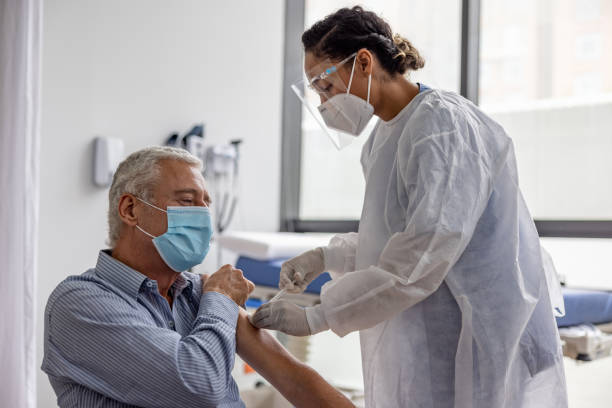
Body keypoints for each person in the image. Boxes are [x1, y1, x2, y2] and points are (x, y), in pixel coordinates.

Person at [251, 6, 567, 408]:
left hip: (480, 329)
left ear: (363, 61)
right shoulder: (382, 139)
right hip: (431, 326)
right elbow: (392, 237)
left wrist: (319, 316)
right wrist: (326, 255)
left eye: (325, 85)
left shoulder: (442, 126)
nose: (323, 102)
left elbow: (422, 255)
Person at [41, 146, 353, 408]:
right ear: (131, 209)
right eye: (188, 201)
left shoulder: (195, 291)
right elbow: (197, 386)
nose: (203, 215)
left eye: (206, 204)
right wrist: (219, 299)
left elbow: (293, 378)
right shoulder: (79, 303)